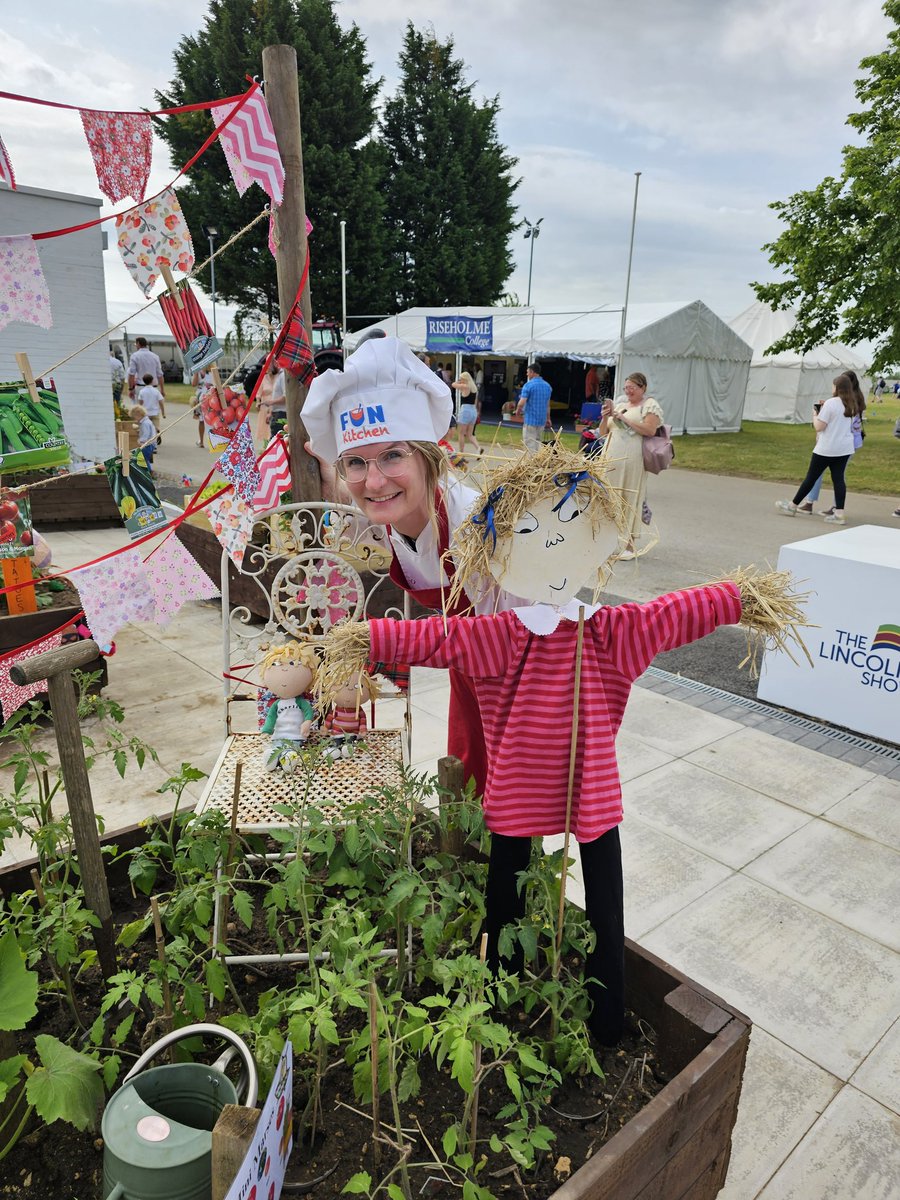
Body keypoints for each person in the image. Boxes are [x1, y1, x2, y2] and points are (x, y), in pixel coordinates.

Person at [302, 335, 528, 799]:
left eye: (393, 455)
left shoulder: (476, 526)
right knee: (466, 792)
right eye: (356, 464)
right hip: (473, 672)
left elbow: (520, 632)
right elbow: (344, 517)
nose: (376, 480)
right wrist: (330, 479)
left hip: (522, 679)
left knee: (512, 801)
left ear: (428, 458)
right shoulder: (386, 516)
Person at [775, 374, 855, 525]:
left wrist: (815, 414)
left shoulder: (831, 403)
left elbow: (819, 426)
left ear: (837, 388)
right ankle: (839, 513)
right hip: (844, 447)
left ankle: (792, 505)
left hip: (827, 447)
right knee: (838, 479)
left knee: (811, 477)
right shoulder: (851, 404)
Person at [599, 372, 663, 559]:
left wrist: (625, 419)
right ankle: (609, 542)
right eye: (626, 388)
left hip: (632, 460)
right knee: (610, 499)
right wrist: (605, 418)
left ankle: (630, 545)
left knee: (630, 498)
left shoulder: (649, 405)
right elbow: (603, 434)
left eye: (632, 388)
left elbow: (650, 430)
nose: (629, 391)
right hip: (611, 460)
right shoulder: (620, 405)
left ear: (642, 387)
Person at [799, 371, 865, 515]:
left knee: (815, 475)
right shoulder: (854, 401)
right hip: (847, 444)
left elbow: (822, 424)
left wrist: (818, 413)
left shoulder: (839, 402)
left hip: (831, 444)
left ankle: (805, 502)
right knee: (838, 477)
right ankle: (837, 508)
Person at [515, 361, 552, 453]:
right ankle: (538, 461)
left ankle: (531, 463)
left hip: (530, 419)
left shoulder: (528, 385)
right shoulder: (547, 386)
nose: (527, 374)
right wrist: (548, 418)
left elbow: (521, 402)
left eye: (528, 372)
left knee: (529, 442)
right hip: (542, 419)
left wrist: (518, 410)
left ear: (532, 372)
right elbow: (548, 405)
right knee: (538, 441)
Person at [127, 337, 165, 405]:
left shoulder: (135, 356)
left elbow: (131, 374)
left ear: (138, 343)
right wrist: (162, 389)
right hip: (154, 387)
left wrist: (131, 389)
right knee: (153, 409)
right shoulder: (155, 356)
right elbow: (160, 375)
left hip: (141, 386)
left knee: (140, 410)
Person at [452, 371, 481, 457]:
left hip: (465, 410)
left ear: (464, 379)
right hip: (473, 410)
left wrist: (458, 382)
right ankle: (478, 448)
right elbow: (475, 401)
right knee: (470, 434)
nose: (460, 380)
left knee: (461, 433)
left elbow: (453, 384)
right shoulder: (474, 388)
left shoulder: (464, 386)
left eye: (461, 378)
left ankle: (461, 452)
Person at [136, 373, 165, 438]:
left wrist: (139, 412)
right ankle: (156, 431)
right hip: (155, 412)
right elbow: (161, 402)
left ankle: (148, 436)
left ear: (143, 381)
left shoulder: (142, 391)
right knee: (156, 425)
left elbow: (140, 402)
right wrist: (163, 412)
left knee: (146, 426)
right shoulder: (156, 391)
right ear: (152, 381)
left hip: (146, 412)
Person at [130, 404, 156, 474]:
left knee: (142, 459)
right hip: (150, 444)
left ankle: (148, 472)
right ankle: (149, 472)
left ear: (138, 415)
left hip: (147, 444)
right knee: (145, 459)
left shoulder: (145, 423)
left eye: (134, 417)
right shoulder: (147, 422)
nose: (135, 419)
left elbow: (145, 435)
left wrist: (140, 441)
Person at [191, 369, 213, 446]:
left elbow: (194, 384)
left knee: (206, 420)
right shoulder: (199, 372)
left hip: (207, 398)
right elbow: (193, 384)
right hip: (204, 398)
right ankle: (203, 441)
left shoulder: (211, 371)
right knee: (204, 419)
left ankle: (205, 441)